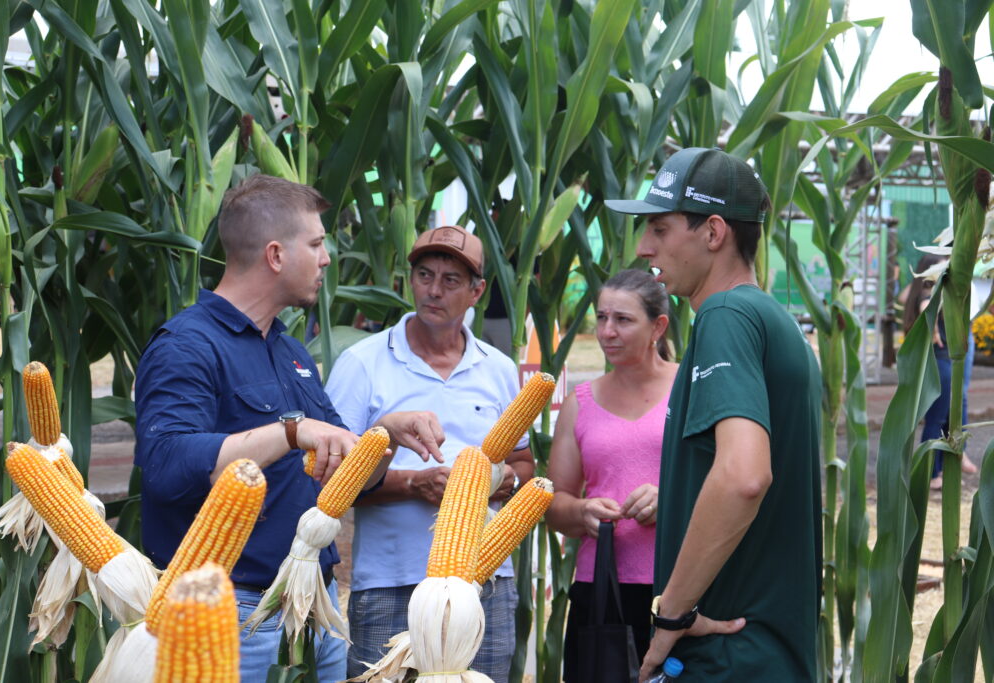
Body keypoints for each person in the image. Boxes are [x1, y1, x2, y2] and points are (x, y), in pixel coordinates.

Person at [134, 174, 444, 683]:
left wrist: (382, 437)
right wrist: (291, 431)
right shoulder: (186, 346)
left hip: (314, 605)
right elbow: (167, 465)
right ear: (275, 255)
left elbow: (351, 481)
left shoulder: (290, 352)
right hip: (231, 617)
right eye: (317, 244)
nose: (327, 259)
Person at [605, 147, 823, 681]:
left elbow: (744, 476)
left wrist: (671, 612)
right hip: (768, 653)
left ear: (713, 232)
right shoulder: (774, 320)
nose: (644, 246)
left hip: (729, 655)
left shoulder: (725, 314)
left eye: (660, 228)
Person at [324, 225, 535, 682]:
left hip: (483, 583)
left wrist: (499, 482)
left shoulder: (498, 369)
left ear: (477, 291)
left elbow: (523, 462)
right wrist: (411, 484)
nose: (434, 290)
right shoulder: (362, 363)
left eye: (451, 280)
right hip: (391, 582)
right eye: (424, 275)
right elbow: (330, 478)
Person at [545, 269, 677, 680]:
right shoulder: (580, 403)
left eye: (623, 320)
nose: (607, 332)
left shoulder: (691, 391)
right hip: (602, 589)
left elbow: (726, 483)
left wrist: (671, 500)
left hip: (679, 586)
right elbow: (554, 505)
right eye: (602, 317)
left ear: (658, 327)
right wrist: (582, 511)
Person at [901, 253, 979, 490]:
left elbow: (908, 297)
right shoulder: (930, 297)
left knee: (944, 416)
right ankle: (931, 474)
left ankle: (942, 466)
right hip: (941, 364)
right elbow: (926, 306)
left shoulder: (922, 293)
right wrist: (934, 328)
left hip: (940, 364)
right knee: (936, 420)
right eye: (943, 267)